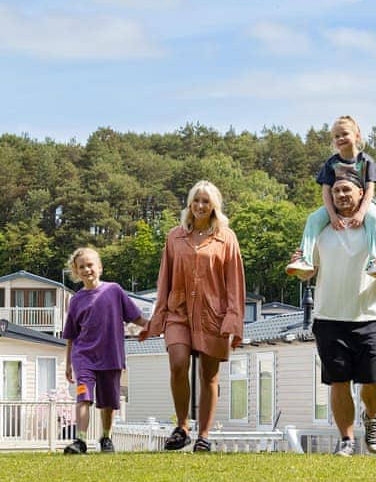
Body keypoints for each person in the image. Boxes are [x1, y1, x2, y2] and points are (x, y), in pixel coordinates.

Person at [288, 170, 376, 456]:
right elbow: (309, 271)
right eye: (336, 190)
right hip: (329, 317)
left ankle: (371, 418)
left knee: (374, 382)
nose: (341, 195)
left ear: (362, 193)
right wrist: (299, 265)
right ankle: (347, 439)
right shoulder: (321, 229)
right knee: (338, 382)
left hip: (370, 315)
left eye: (347, 190)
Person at [140, 180, 246, 452]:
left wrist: (233, 320)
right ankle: (183, 426)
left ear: (214, 206)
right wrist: (157, 318)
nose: (200, 206)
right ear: (190, 204)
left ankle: (205, 435)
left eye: (206, 201)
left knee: (209, 375)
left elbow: (235, 282)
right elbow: (164, 278)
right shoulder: (175, 236)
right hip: (179, 312)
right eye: (196, 200)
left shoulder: (226, 237)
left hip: (214, 314)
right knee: (177, 363)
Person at [62, 247, 147, 454]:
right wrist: (68, 364)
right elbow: (71, 335)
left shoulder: (114, 291)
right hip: (84, 357)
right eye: (81, 267)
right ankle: (80, 441)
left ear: (99, 267)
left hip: (111, 355)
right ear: (76, 271)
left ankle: (106, 438)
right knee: (84, 397)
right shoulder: (75, 301)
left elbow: (135, 317)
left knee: (108, 401)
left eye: (90, 265)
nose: (87, 270)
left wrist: (154, 326)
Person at [286, 115, 376, 280]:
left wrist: (361, 212)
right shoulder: (331, 163)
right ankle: (304, 258)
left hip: (364, 204)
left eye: (344, 134)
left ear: (357, 135)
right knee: (313, 218)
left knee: (374, 218)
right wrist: (332, 215)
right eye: (336, 136)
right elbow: (326, 191)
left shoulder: (366, 161)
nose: (340, 138)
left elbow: (370, 189)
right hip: (336, 206)